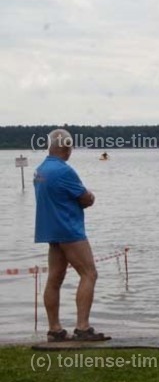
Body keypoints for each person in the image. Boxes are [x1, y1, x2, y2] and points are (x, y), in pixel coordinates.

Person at [33, 129, 110, 342]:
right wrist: (90, 195)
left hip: (50, 232)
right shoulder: (64, 171)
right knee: (89, 274)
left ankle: (55, 329)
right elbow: (86, 198)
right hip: (69, 230)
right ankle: (82, 327)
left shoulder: (40, 171)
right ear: (66, 148)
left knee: (54, 279)